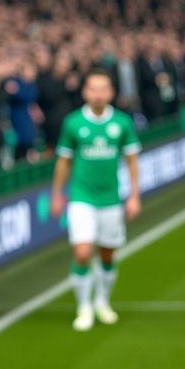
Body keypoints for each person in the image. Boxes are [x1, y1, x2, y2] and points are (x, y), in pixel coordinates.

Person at [50, 68, 141, 331]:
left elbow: (132, 159)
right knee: (81, 252)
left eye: (103, 89)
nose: (98, 94)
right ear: (85, 92)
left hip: (110, 198)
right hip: (81, 196)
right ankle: (84, 307)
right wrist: (57, 194)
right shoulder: (73, 123)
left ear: (111, 92)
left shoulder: (122, 122)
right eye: (93, 89)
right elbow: (63, 162)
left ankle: (102, 301)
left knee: (108, 254)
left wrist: (134, 195)